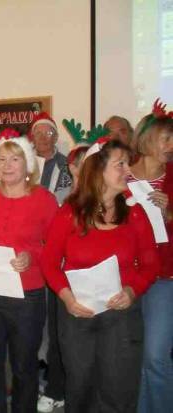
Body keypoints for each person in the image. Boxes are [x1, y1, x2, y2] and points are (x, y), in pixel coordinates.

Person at [42, 139, 160, 413]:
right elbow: (49, 263)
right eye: (120, 164)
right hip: (76, 315)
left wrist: (132, 291)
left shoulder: (135, 213)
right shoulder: (69, 212)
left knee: (119, 390)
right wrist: (67, 298)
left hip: (121, 317)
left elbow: (150, 265)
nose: (127, 170)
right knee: (80, 387)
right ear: (98, 169)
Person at [0, 128, 58, 413]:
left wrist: (32, 257)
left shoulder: (44, 199)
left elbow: (54, 246)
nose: (6, 166)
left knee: (24, 366)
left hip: (26, 296)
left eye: (14, 159)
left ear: (27, 164)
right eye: (1, 159)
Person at [128, 101, 173, 413]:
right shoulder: (120, 173)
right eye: (166, 139)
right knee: (132, 355)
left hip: (163, 276)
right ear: (146, 139)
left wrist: (168, 211)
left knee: (156, 355)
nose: (171, 146)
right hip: (122, 275)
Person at [30, 113, 70, 412]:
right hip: (30, 245)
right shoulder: (25, 162)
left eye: (48, 133)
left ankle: (51, 367)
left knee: (53, 310)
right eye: (39, 133)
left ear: (55, 136)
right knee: (36, 310)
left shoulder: (67, 165)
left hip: (55, 244)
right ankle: (38, 365)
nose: (44, 137)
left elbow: (65, 199)